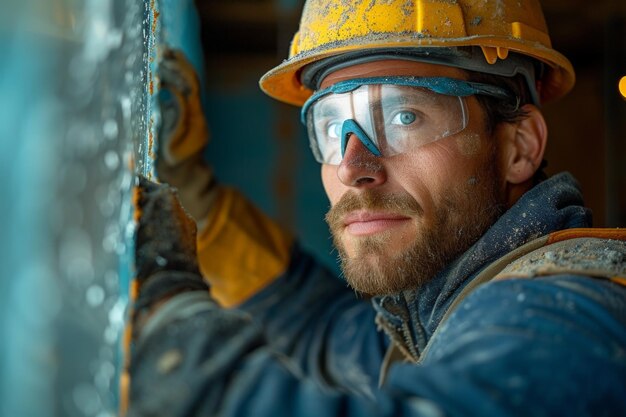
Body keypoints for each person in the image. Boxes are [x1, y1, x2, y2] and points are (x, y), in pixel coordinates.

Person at [127, 1, 626, 416]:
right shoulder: (441, 313)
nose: (352, 166)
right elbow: (319, 333)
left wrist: (168, 336)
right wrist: (196, 201)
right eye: (330, 127)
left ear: (519, 147)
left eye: (405, 115)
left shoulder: (562, 323)